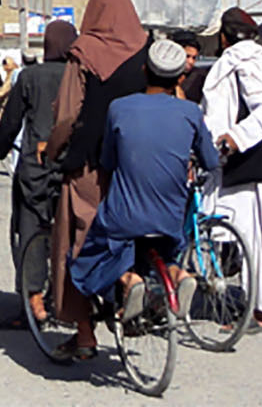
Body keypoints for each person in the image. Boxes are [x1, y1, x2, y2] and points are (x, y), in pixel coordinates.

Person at [41, 0, 150, 358]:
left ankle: (85, 333)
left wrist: (53, 150)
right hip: (135, 162)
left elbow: (67, 114)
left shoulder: (84, 52)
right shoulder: (147, 50)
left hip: (90, 164)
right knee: (131, 230)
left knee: (75, 240)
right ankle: (132, 293)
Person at [70, 40, 215, 318]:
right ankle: (180, 274)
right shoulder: (191, 112)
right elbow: (210, 161)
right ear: (179, 78)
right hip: (170, 216)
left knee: (89, 254)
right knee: (168, 249)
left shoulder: (119, 108)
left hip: (125, 216)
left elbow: (108, 161)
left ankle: (128, 279)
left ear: (145, 70)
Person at [200, 7, 262, 333]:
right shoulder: (261, 61)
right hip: (245, 161)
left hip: (240, 162)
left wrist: (236, 137)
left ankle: (257, 312)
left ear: (225, 37)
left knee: (250, 239)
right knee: (250, 239)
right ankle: (256, 306)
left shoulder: (242, 63)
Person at [0, 19, 73, 327]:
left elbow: (11, 121)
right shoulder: (81, 76)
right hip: (71, 166)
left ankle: (34, 300)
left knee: (29, 229)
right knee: (70, 231)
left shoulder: (30, 77)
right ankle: (70, 300)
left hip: (36, 167)